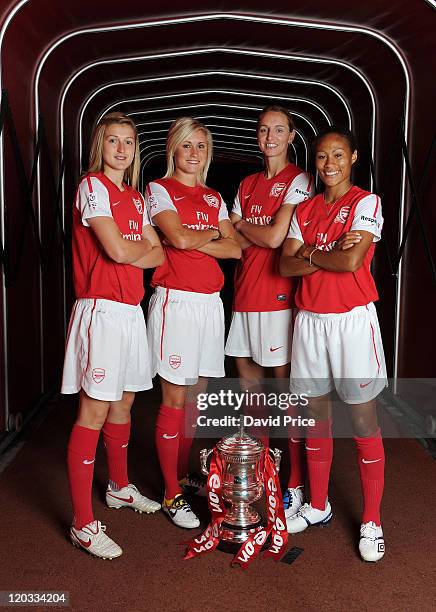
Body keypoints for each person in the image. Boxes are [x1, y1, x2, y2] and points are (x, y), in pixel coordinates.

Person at [280, 125, 387, 562]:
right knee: (315, 417)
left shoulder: (365, 202)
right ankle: (319, 505)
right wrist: (316, 255)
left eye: (338, 155)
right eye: (322, 157)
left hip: (351, 324)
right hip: (310, 322)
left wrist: (310, 253)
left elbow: (351, 260)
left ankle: (372, 521)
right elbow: (285, 264)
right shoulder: (303, 210)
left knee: (362, 422)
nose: (329, 165)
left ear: (354, 157)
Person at [61, 112, 164, 559]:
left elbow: (156, 254)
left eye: (127, 142)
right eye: (112, 141)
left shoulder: (136, 197)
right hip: (100, 310)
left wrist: (136, 251)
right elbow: (120, 249)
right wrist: (136, 250)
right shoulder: (92, 187)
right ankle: (83, 524)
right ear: (99, 145)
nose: (121, 150)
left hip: (129, 312)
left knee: (125, 402)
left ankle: (119, 486)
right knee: (95, 409)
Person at [145, 117, 241, 529]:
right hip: (176, 304)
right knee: (174, 400)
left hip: (209, 306)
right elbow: (177, 240)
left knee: (195, 403)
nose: (194, 153)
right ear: (174, 148)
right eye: (187, 145)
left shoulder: (214, 195)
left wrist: (189, 236)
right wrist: (201, 238)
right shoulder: (158, 189)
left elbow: (234, 248)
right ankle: (170, 493)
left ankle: (183, 477)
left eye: (201, 146)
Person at [225, 105, 315, 518]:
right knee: (249, 385)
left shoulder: (300, 180)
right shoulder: (245, 183)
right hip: (244, 294)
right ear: (257, 136)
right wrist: (245, 230)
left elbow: (279, 236)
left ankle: (295, 480)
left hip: (279, 297)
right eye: (264, 130)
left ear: (291, 136)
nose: (270, 136)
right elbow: (236, 245)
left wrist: (243, 225)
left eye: (279, 129)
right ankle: (259, 467)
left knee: (286, 390)